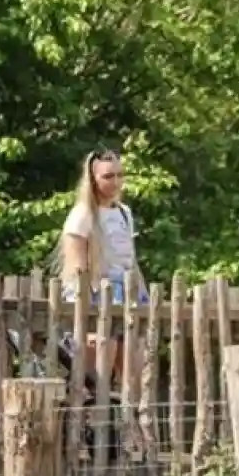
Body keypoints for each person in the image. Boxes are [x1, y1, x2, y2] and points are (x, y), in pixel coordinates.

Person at [56, 147, 147, 390]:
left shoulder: (124, 213)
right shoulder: (83, 215)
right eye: (108, 176)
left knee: (132, 374)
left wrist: (142, 292)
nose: (115, 182)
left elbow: (130, 258)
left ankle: (127, 424)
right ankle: (95, 424)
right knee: (98, 378)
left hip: (127, 292)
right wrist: (85, 308)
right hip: (99, 294)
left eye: (119, 175)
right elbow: (76, 267)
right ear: (93, 178)